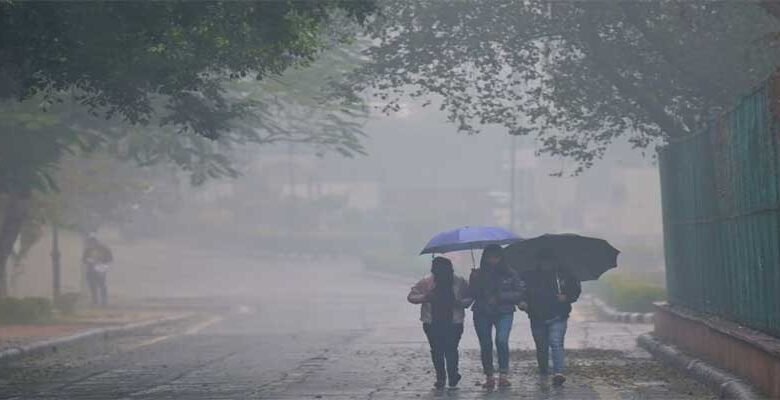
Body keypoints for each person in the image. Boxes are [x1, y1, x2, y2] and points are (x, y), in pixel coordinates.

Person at [408, 257, 473, 389]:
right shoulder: (427, 281)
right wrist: (425, 297)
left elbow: (470, 297)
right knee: (439, 350)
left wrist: (460, 303)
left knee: (449, 349)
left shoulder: (459, 281)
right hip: (432, 321)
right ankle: (442, 377)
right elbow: (411, 296)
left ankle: (452, 375)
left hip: (453, 321)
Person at [519, 250, 581, 387]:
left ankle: (558, 372)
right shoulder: (529, 276)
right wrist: (523, 303)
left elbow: (575, 290)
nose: (546, 264)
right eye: (543, 261)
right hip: (537, 316)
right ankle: (543, 369)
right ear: (539, 262)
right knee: (541, 346)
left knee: (556, 342)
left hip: (558, 315)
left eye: (549, 261)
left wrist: (567, 297)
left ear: (554, 262)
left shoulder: (564, 275)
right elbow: (522, 292)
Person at [468, 244, 525, 389]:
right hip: (482, 312)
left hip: (504, 311)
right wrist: (474, 280)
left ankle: (503, 375)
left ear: (501, 258)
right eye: (490, 257)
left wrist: (500, 297)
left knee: (501, 340)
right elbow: (471, 294)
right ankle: (489, 376)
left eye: (496, 257)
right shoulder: (478, 274)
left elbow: (519, 293)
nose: (493, 260)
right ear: (484, 258)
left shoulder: (510, 273)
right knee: (486, 344)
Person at [82, 235, 113, 307]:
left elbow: (110, 258)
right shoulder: (88, 249)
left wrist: (102, 262)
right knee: (92, 285)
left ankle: (104, 301)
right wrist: (89, 260)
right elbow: (84, 259)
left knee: (102, 285)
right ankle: (94, 300)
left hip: (100, 268)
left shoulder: (104, 248)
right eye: (89, 242)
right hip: (91, 268)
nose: (90, 244)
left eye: (91, 242)